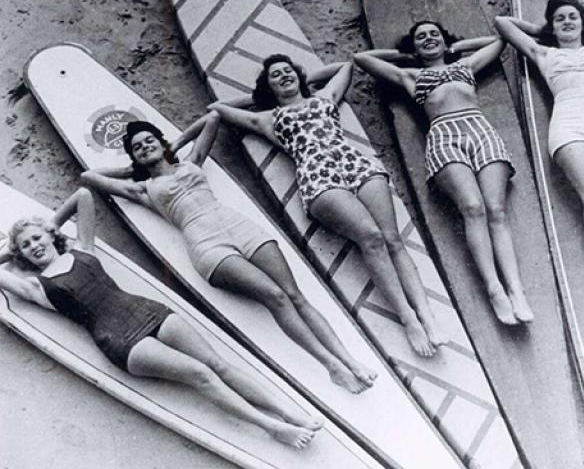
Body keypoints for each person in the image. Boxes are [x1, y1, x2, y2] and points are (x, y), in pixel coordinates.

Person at [0, 188, 321, 447]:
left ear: (49, 235)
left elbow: (83, 195)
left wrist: (46, 226)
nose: (34, 246)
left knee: (217, 363)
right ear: (22, 255)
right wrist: (9, 251)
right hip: (119, 340)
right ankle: (272, 427)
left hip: (146, 309)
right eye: (26, 246)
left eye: (37, 238)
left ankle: (289, 413)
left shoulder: (84, 249)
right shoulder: (35, 287)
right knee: (199, 374)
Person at [81, 113, 375, 393]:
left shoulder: (192, 162)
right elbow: (90, 176)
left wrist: (173, 146)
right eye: (137, 148)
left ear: (161, 141)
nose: (144, 147)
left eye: (149, 141)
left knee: (295, 295)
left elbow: (212, 119)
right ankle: (332, 367)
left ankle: (350, 361)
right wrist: (130, 169)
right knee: (274, 297)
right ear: (134, 158)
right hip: (207, 244)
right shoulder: (144, 189)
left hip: (239, 226)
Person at [209, 54, 448, 357]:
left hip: (355, 164)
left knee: (392, 238)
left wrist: (303, 79)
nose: (284, 76)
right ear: (268, 88)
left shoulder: (325, 97)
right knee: (371, 239)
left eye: (288, 71)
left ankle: (427, 314)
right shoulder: (267, 117)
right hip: (319, 176)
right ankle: (408, 318)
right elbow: (217, 109)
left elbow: (345, 65)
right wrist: (259, 97)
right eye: (275, 76)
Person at [353, 21, 533, 326]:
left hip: (480, 131)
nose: (428, 39)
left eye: (434, 34)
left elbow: (499, 41)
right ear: (414, 46)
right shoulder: (411, 75)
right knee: (472, 208)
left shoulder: (465, 65)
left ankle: (517, 291)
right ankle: (494, 288)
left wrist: (455, 47)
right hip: (444, 135)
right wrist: (404, 52)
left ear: (444, 39)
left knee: (497, 210)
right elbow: (363, 59)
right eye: (420, 36)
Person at [495, 0, 584, 313]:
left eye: (572, 16)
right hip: (568, 125)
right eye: (559, 18)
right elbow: (502, 23)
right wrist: (541, 29)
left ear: (582, 20)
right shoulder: (542, 52)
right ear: (552, 26)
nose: (567, 22)